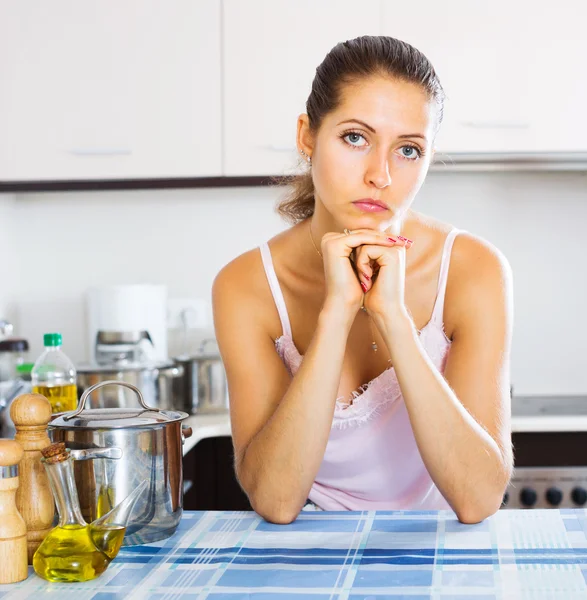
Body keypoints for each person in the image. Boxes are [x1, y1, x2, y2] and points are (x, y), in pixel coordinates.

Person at [212, 35, 513, 524]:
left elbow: (478, 499)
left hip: (440, 555)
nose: (381, 175)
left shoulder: (473, 269)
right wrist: (336, 314)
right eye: (355, 137)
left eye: (409, 149)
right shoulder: (246, 285)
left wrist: (393, 318)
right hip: (309, 555)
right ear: (307, 136)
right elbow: (275, 499)